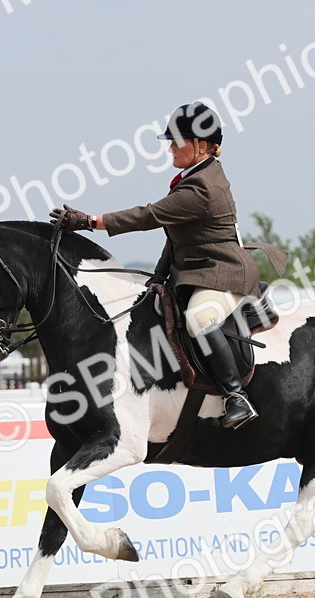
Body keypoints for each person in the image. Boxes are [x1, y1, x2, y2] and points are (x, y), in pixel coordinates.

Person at [50, 101, 280, 430]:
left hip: (224, 275)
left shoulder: (203, 188)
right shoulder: (191, 177)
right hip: (197, 270)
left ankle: (235, 395)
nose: (170, 147)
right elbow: (176, 238)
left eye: (177, 141)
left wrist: (89, 221)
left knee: (199, 319)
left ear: (201, 146)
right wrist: (157, 278)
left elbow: (149, 216)